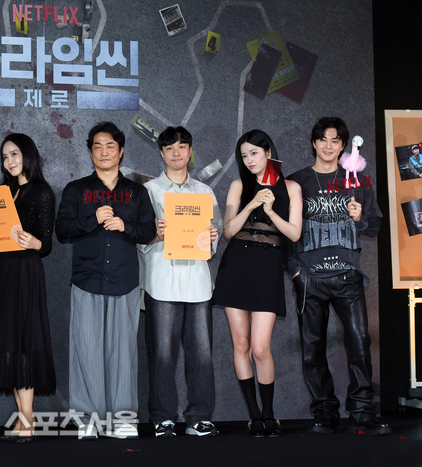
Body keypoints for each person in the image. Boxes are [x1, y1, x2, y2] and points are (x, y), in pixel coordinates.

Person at [286, 117, 390, 435]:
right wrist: (295, 271)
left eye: (335, 140)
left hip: (348, 276)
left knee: (359, 341)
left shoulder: (357, 180)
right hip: (310, 277)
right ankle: (324, 412)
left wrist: (360, 219)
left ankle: (361, 411)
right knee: (312, 348)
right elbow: (284, 231)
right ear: (314, 143)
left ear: (344, 145)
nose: (328, 146)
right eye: (323, 139)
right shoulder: (296, 182)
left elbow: (375, 225)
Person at [56, 122, 156, 440]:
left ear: (121, 150)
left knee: (123, 354)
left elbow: (149, 231)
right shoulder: (76, 190)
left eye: (110, 145)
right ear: (90, 152)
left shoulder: (137, 192)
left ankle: (123, 420)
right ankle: (87, 419)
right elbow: (62, 230)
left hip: (125, 282)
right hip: (86, 280)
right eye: (97, 146)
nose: (104, 151)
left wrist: (125, 226)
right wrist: (92, 219)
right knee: (86, 351)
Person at [212, 129, 302, 437]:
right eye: (244, 155)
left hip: (268, 266)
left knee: (261, 348)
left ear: (268, 152)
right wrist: (250, 205)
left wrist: (269, 211)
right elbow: (228, 231)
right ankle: (255, 417)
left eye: (254, 153)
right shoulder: (239, 185)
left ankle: (269, 414)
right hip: (237, 266)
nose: (249, 160)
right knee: (241, 344)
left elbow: (294, 233)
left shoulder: (291, 187)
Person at [137, 126, 223, 438]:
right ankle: (163, 417)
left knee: (202, 354)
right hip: (162, 280)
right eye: (170, 148)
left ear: (190, 151)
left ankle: (199, 417)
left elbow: (215, 233)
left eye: (182, 147)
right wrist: (154, 235)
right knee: (162, 354)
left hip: (197, 283)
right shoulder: (148, 192)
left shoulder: (205, 192)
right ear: (161, 153)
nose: (176, 153)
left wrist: (212, 236)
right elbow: (138, 237)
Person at [0, 133, 57, 444]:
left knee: (24, 343)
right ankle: (23, 417)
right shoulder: (2, 193)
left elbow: (46, 242)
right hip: (0, 271)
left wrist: (35, 242)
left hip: (25, 273)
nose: (9, 161)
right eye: (4, 156)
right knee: (7, 344)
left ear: (27, 154)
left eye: (14, 154)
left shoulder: (42, 192)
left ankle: (28, 419)